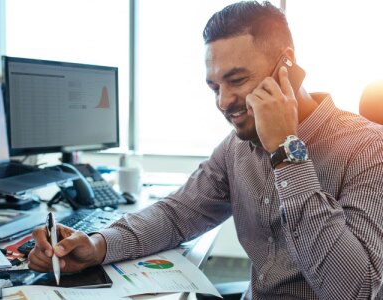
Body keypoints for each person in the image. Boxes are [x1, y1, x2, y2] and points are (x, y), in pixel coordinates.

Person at [28, 1, 383, 299]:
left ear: (286, 67)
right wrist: (98, 245)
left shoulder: (369, 149)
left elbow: (356, 290)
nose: (223, 101)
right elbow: (177, 214)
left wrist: (286, 152)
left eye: (237, 80)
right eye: (214, 85)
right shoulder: (235, 149)